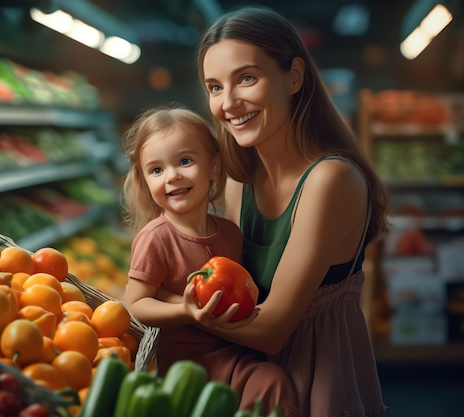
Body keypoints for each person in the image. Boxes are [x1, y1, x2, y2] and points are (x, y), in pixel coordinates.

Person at [187, 5, 391, 417]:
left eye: (247, 78)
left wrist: (171, 309)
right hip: (254, 383)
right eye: (214, 87)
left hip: (319, 381)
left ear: (294, 76)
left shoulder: (331, 180)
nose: (228, 103)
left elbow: (272, 330)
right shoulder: (239, 181)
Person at [121, 103, 298, 416]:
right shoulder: (156, 238)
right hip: (185, 367)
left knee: (274, 382)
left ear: (214, 167)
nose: (172, 176)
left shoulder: (230, 233)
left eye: (185, 161)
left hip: (236, 353)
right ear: (145, 180)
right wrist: (187, 311)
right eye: (157, 170)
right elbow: (135, 304)